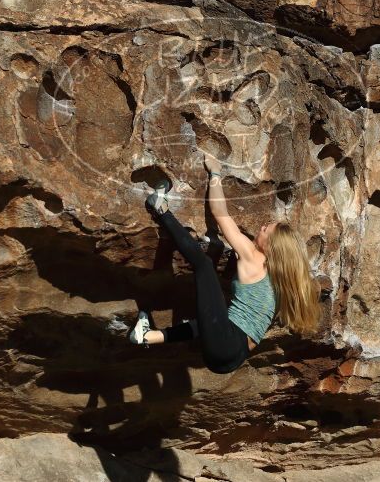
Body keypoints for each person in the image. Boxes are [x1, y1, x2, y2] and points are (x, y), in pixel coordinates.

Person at [127, 153, 322, 374]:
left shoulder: (254, 256)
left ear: (272, 247)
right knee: (209, 318)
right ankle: (149, 336)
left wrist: (215, 172)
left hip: (226, 342)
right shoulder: (280, 283)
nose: (262, 227)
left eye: (267, 228)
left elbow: (220, 213)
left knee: (204, 266)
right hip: (232, 359)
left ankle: (160, 208)